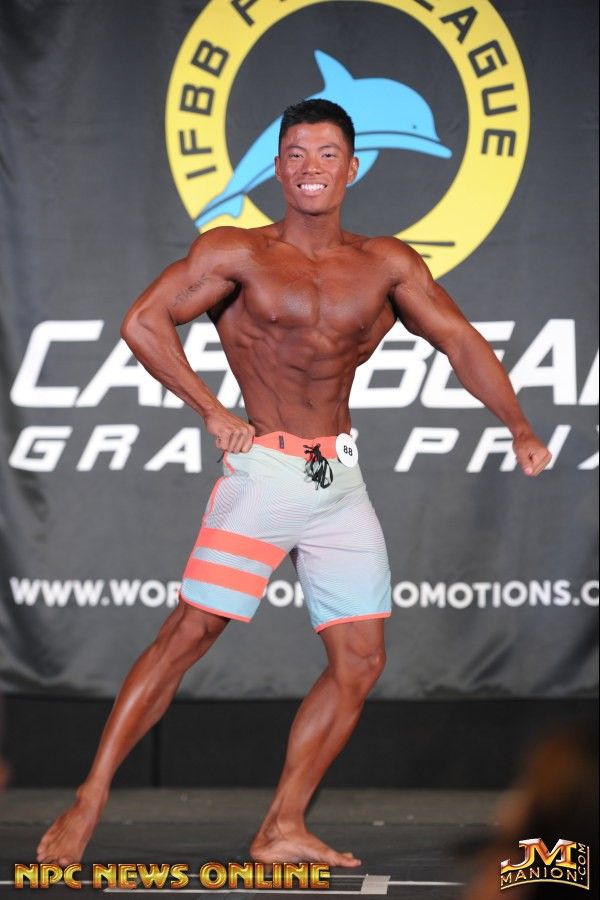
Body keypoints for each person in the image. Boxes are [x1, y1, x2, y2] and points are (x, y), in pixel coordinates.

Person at [37, 99, 551, 868]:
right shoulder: (237, 252)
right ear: (278, 168)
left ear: (354, 167)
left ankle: (282, 824)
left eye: (327, 153)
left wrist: (518, 424)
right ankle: (90, 798)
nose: (312, 167)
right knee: (188, 635)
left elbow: (458, 340)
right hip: (265, 473)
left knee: (361, 661)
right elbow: (143, 321)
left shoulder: (386, 264)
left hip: (338, 479)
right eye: (297, 154)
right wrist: (212, 409)